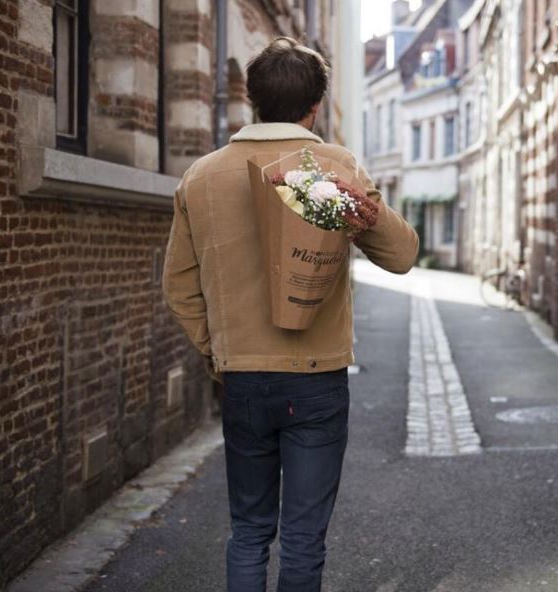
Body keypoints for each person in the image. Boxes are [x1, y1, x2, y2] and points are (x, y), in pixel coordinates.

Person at [161, 36, 419, 592]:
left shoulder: (201, 176)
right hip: (317, 379)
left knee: (249, 531)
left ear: (253, 99)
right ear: (315, 105)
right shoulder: (331, 166)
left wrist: (217, 351)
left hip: (243, 377)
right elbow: (402, 255)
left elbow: (179, 287)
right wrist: (347, 197)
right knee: (303, 539)